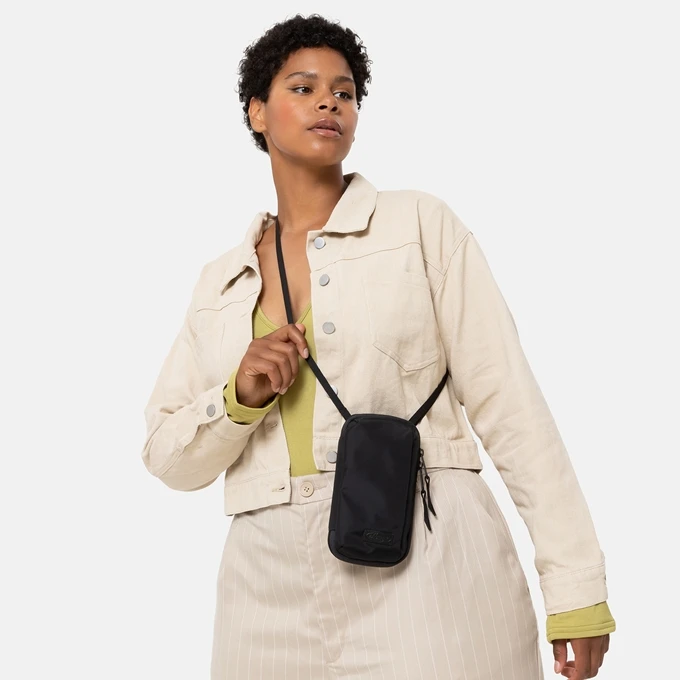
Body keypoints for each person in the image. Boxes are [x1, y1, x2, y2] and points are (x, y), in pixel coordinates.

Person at [141, 13, 616, 680]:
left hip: (426, 558)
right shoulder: (221, 283)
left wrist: (575, 589)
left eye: (344, 91)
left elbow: (510, 403)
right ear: (257, 112)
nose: (329, 102)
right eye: (303, 88)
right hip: (265, 588)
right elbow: (168, 457)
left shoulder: (418, 225)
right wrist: (238, 398)